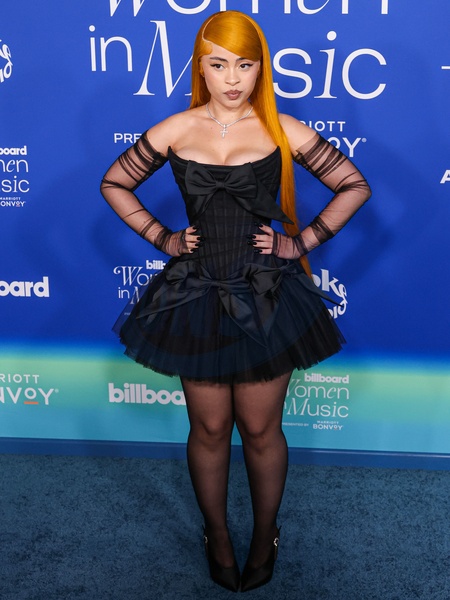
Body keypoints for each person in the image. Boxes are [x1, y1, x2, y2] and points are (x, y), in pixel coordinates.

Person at [100, 10, 371, 593]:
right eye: (219, 65)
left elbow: (354, 185)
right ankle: (217, 535)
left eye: (244, 65)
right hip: (195, 293)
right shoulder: (176, 128)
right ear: (200, 67)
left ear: (259, 69)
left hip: (267, 294)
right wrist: (163, 238)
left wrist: (300, 242)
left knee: (260, 428)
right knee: (209, 427)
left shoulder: (281, 128)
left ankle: (266, 534)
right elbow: (114, 182)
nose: (231, 78)